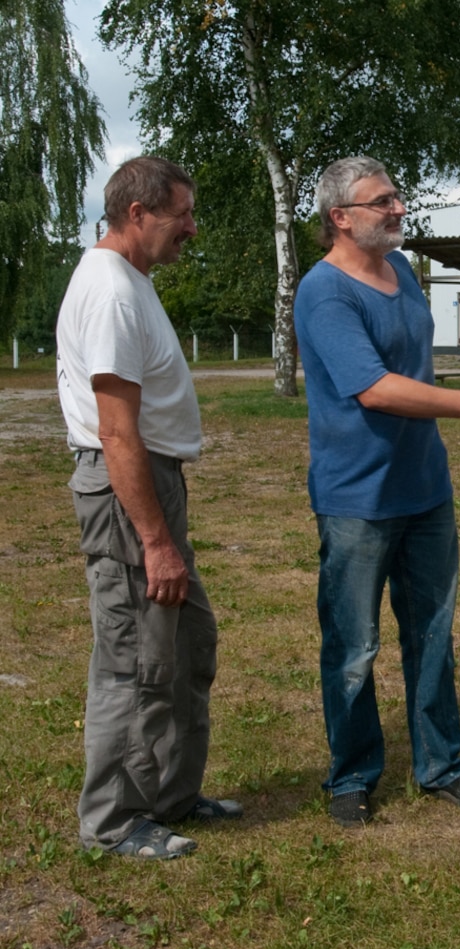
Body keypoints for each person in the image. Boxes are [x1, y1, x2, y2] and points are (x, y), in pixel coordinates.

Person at [294, 156, 460, 826]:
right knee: (352, 647)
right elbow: (374, 387)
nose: (399, 209)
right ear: (340, 218)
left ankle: (442, 764)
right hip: (357, 500)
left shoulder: (400, 271)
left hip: (424, 487)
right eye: (382, 202)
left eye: (398, 196)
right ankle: (351, 774)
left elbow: (412, 368)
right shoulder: (324, 292)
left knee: (432, 633)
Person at [55, 156, 242, 860]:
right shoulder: (108, 289)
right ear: (138, 213)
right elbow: (115, 431)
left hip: (154, 485)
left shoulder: (131, 282)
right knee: (136, 659)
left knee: (187, 644)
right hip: (128, 491)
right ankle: (113, 820)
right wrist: (155, 541)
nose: (191, 228)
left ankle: (169, 795)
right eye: (182, 214)